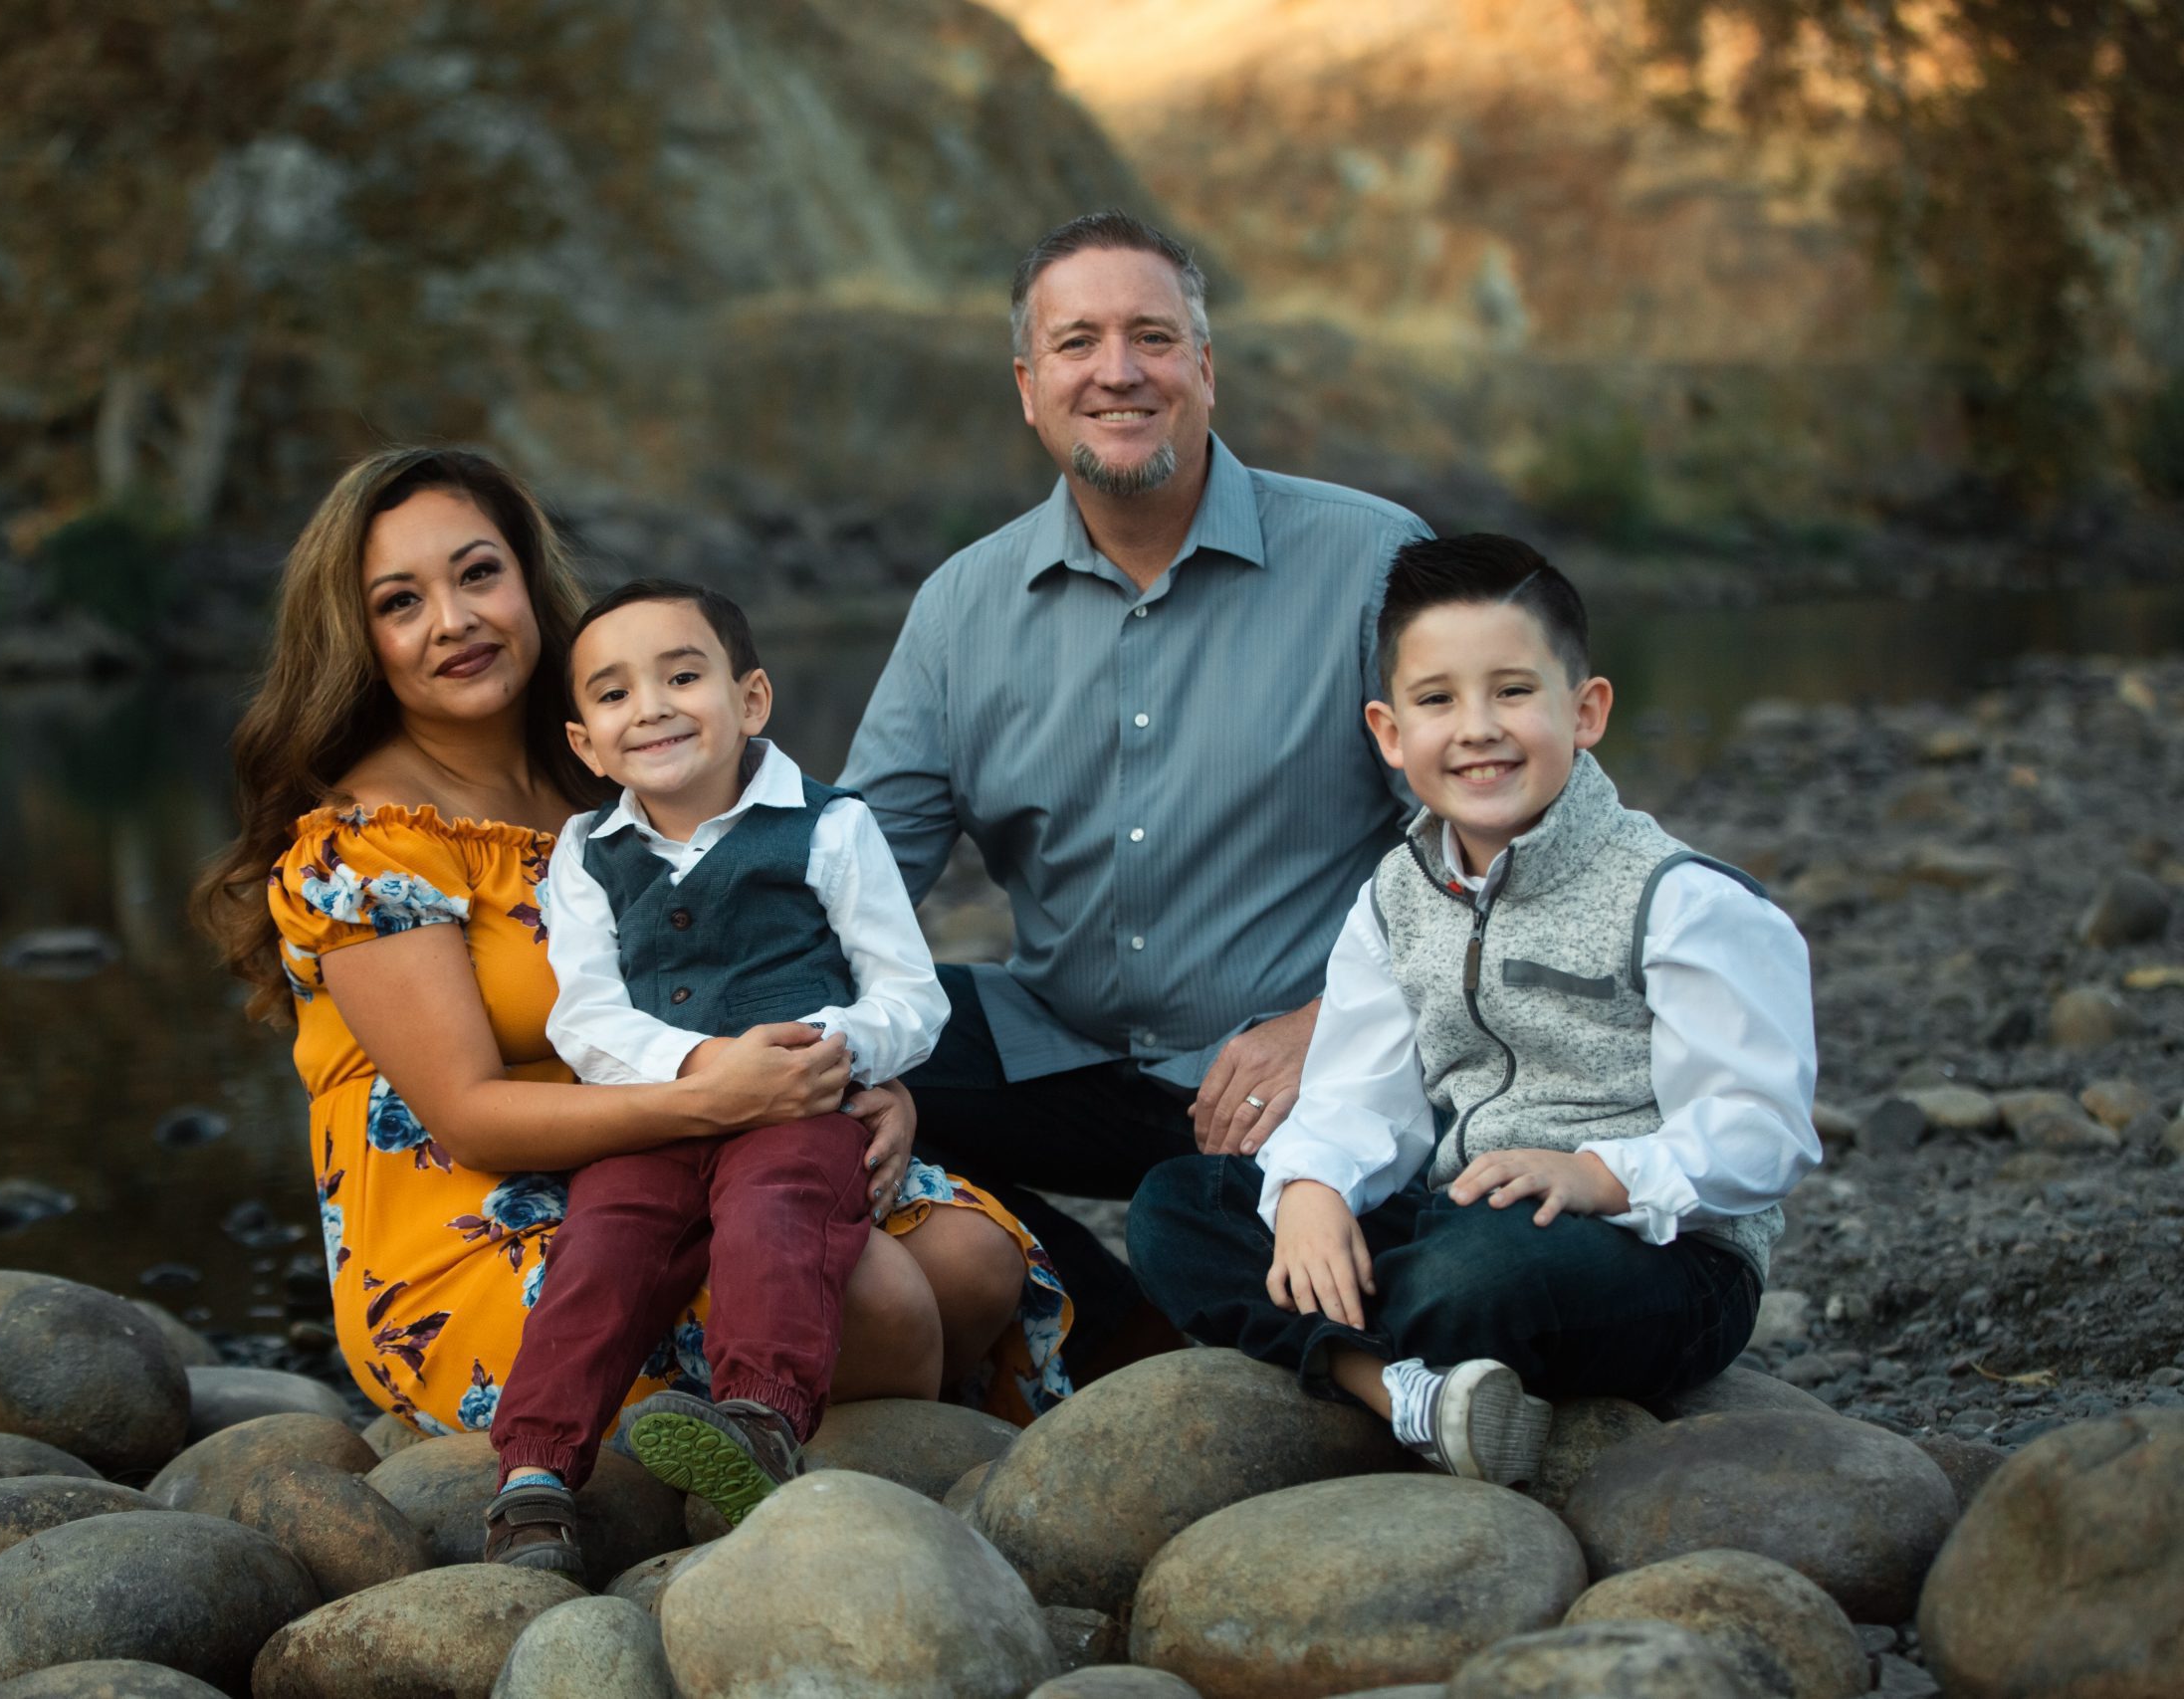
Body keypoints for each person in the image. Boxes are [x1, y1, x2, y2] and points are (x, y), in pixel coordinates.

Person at [190, 449, 1071, 1557]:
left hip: (702, 1135)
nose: (454, 621)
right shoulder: (368, 848)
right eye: (400, 603)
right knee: (881, 1298)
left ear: (529, 582)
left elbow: (777, 959)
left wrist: (857, 1078)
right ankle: (779, 1519)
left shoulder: (619, 775)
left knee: (974, 1257)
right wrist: (729, 1096)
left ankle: (824, 1468)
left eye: (478, 575)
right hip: (480, 1213)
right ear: (355, 638)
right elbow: (467, 1116)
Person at [840, 209, 1431, 1362]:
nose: (1118, 372)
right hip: (1065, 1049)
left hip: (1301, 1072)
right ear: (1028, 384)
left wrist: (1332, 1023)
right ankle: (1125, 1334)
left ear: (1204, 369)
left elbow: (1484, 846)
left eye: (1153, 338)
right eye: (1077, 343)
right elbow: (852, 874)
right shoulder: (961, 609)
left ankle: (1252, 1316)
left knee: (1380, 1233)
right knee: (824, 1073)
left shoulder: (1371, 562)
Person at [1129, 533, 1821, 1485]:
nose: (1477, 728)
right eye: (1437, 700)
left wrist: (1595, 1176)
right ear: (1389, 731)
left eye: (1513, 691)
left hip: (1656, 1258)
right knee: (1178, 1206)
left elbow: (1762, 1137)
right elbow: (1359, 1098)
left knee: (1472, 1275)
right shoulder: (1397, 894)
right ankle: (1403, 1390)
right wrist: (1312, 1192)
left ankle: (1374, 1354)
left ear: (1586, 711)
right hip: (1456, 1211)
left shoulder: (1683, 902)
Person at [485, 577, 968, 1563]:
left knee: (778, 1214)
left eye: (682, 674)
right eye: (614, 693)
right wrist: (702, 1068)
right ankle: (534, 1475)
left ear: (750, 699)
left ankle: (757, 1420)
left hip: (796, 1105)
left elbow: (910, 996)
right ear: (584, 740)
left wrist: (831, 1053)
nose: (652, 706)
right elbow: (583, 1017)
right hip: (654, 1115)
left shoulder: (830, 827)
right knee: (601, 1249)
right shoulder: (586, 852)